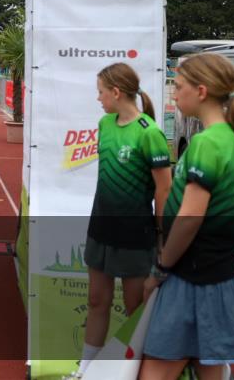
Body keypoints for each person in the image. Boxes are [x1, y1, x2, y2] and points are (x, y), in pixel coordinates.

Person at [140, 53, 234, 380]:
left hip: (194, 274)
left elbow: (190, 217)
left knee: (155, 372)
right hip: (217, 270)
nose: (174, 93)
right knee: (208, 366)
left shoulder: (207, 142)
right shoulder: (225, 136)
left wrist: (160, 268)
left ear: (201, 91)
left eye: (179, 86)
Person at [68, 63, 171, 379]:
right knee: (96, 300)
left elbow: (164, 189)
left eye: (100, 92)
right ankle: (85, 371)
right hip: (100, 229)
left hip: (134, 235)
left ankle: (131, 373)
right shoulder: (105, 123)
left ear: (115, 92)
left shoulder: (149, 132)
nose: (98, 98)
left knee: (134, 311)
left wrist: (161, 235)